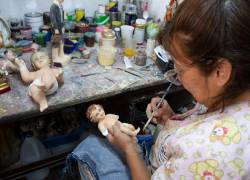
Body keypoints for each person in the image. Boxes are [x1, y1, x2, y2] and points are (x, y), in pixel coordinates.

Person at [106, 0, 250, 179]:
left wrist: (129, 149)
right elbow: (204, 122)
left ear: (220, 72)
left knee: (91, 146)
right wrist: (171, 119)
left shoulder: (206, 154)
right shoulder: (231, 94)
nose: (178, 78)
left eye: (180, 69)